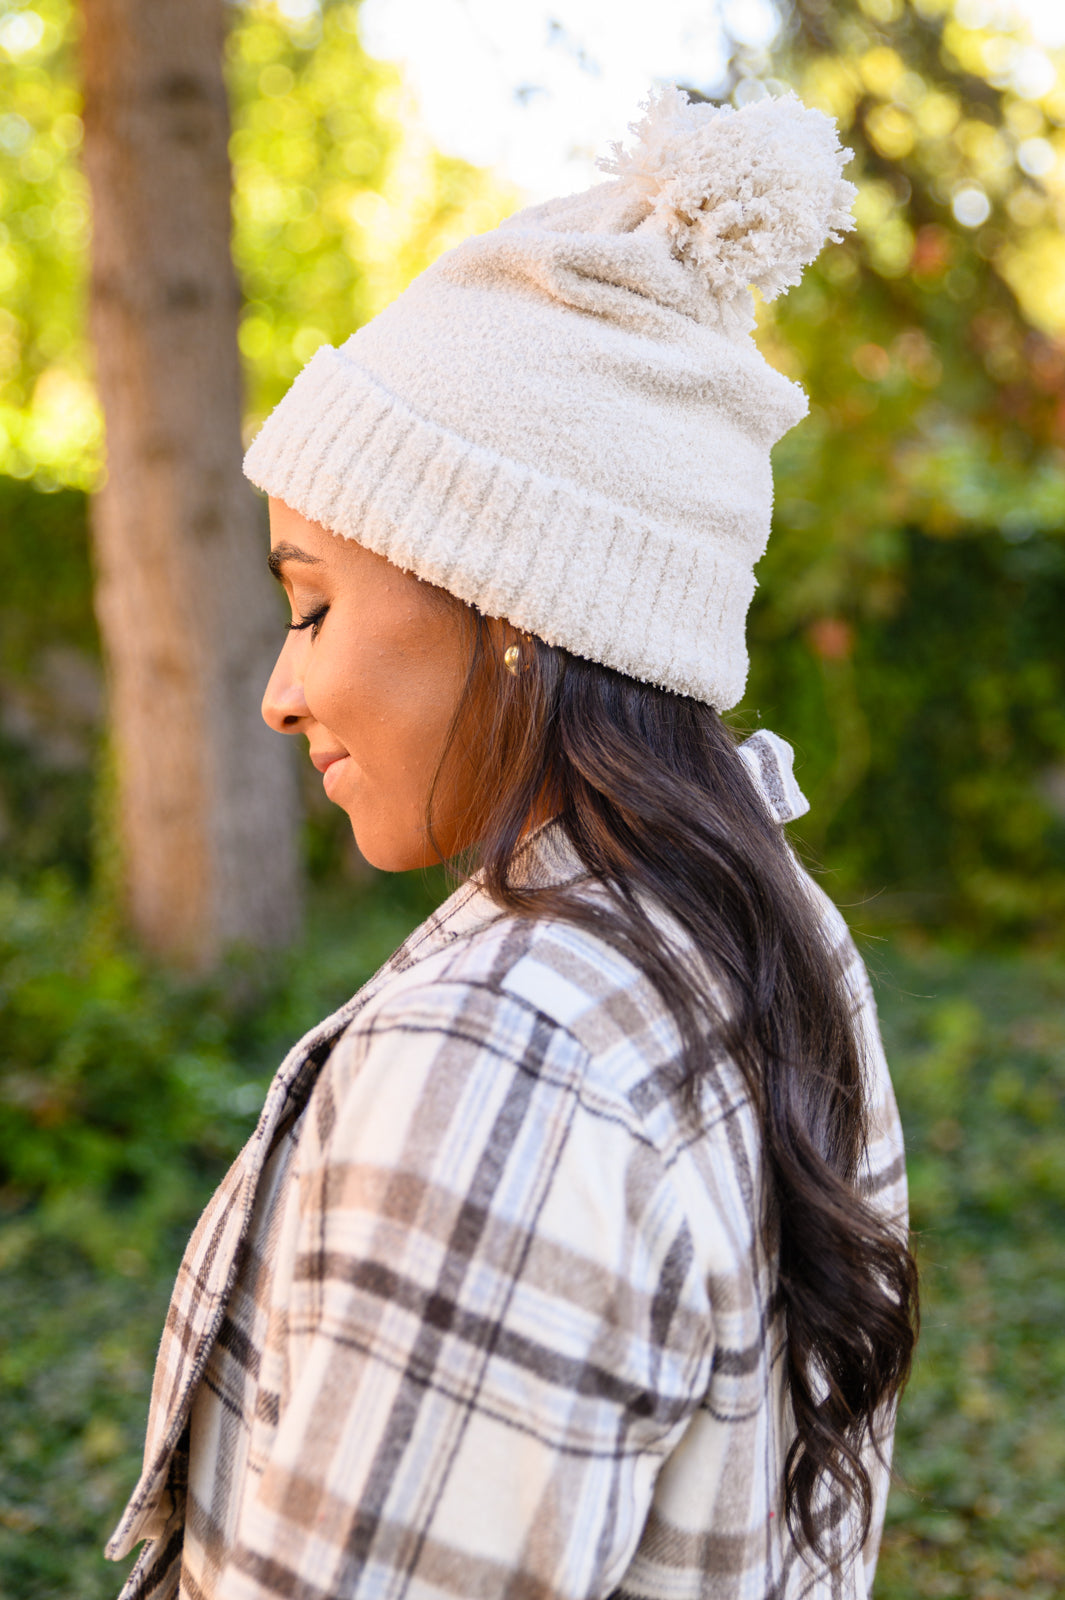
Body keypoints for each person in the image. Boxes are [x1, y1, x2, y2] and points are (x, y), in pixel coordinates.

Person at [106, 87, 917, 1600]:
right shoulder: (771, 936)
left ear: (507, 611)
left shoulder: (501, 1064)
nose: (282, 693)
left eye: (314, 602)